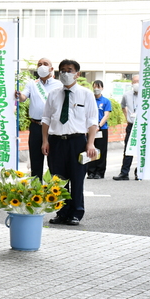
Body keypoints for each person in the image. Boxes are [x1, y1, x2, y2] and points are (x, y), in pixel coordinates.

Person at [42, 59, 98, 226]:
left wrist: (90, 143)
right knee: (58, 180)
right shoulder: (53, 94)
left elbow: (92, 121)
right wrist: (45, 141)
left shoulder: (86, 94)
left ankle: (76, 213)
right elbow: (45, 119)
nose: (66, 74)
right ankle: (62, 212)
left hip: (77, 142)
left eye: (69, 70)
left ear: (77, 74)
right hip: (56, 142)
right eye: (63, 71)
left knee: (77, 178)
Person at [15, 58, 63, 180]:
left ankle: (55, 191)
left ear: (51, 69)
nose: (42, 66)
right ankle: (36, 191)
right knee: (36, 161)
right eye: (39, 64)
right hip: (36, 126)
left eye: (45, 64)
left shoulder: (59, 85)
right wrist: (19, 95)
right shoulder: (32, 84)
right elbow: (23, 97)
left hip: (53, 127)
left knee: (54, 161)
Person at [114, 75, 139, 181]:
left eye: (138, 81)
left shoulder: (146, 96)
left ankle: (140, 172)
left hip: (142, 126)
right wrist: (127, 116)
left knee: (141, 150)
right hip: (131, 125)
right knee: (128, 149)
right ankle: (124, 173)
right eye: (134, 81)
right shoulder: (127, 95)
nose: (136, 83)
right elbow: (123, 106)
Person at [87, 80, 111, 179]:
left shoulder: (106, 101)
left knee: (101, 150)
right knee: (91, 149)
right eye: (95, 86)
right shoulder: (89, 100)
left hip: (101, 129)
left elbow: (106, 115)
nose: (96, 89)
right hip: (90, 129)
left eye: (99, 87)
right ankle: (91, 171)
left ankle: (100, 172)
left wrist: (99, 126)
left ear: (102, 88)